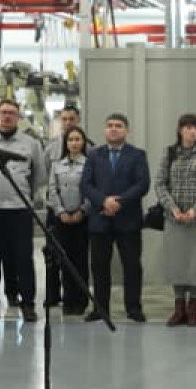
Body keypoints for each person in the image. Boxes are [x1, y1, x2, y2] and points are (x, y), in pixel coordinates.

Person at [0, 99, 48, 323]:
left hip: (20, 210)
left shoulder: (31, 144)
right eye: (3, 112)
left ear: (18, 117)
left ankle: (28, 305)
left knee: (23, 259)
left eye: (11, 113)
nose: (7, 116)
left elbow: (39, 175)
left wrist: (28, 196)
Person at [81, 112, 151, 324]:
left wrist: (119, 202)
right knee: (99, 267)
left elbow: (142, 184)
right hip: (100, 220)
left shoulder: (137, 155)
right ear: (105, 130)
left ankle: (134, 308)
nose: (113, 129)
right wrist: (104, 201)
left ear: (127, 130)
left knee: (132, 266)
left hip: (128, 220)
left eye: (118, 125)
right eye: (110, 125)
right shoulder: (94, 155)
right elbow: (86, 184)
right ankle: (100, 309)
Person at [156, 114, 196, 326]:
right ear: (180, 130)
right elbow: (160, 184)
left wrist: (195, 209)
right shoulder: (169, 153)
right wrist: (173, 208)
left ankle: (193, 308)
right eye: (188, 127)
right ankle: (178, 308)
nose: (193, 131)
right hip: (174, 218)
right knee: (177, 264)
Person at [45, 127, 93, 317]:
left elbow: (92, 189)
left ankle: (81, 300)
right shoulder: (57, 165)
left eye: (77, 139)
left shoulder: (89, 164)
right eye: (70, 140)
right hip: (62, 219)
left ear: (83, 142)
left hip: (82, 218)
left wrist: (83, 210)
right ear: (66, 143)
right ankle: (68, 299)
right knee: (64, 260)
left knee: (80, 260)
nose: (74, 143)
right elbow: (52, 189)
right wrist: (60, 211)